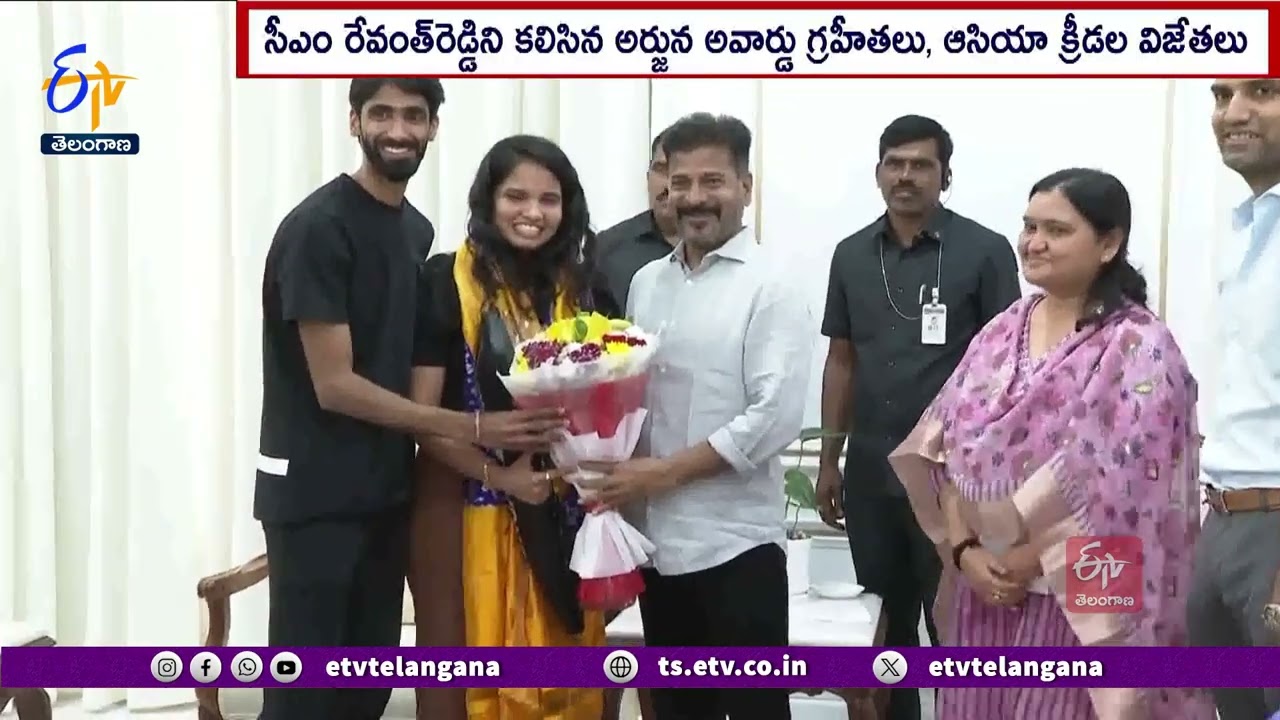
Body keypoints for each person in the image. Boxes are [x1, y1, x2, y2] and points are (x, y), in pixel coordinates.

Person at [254, 79, 566, 720]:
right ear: (354, 122)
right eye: (382, 114)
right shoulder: (319, 228)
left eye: (414, 116)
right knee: (304, 693)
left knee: (365, 689)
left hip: (386, 491)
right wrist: (473, 426)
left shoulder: (414, 230)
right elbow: (335, 385)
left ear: (433, 128)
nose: (398, 130)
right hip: (315, 495)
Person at [889, 168, 1215, 719]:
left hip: (1082, 605)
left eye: (1056, 230)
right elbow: (942, 445)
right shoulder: (1002, 329)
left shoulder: (1140, 347)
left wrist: (1029, 559)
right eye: (1029, 226)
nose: (1034, 242)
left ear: (1108, 244)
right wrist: (966, 552)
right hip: (983, 591)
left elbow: (1137, 494)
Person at [591, 113, 811, 720]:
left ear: (746, 186)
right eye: (680, 181)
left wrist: (661, 475)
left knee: (756, 715)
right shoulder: (645, 283)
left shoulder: (773, 285)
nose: (693, 198)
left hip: (735, 550)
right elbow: (630, 397)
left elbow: (772, 419)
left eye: (712, 181)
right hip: (658, 549)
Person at [814, 114, 1021, 720]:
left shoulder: (984, 251)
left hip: (952, 482)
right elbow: (841, 360)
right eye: (894, 164)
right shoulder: (851, 254)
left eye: (921, 165)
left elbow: (1007, 366)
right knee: (884, 632)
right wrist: (828, 460)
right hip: (871, 474)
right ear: (878, 172)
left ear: (945, 176)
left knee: (958, 632)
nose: (905, 176)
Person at [408, 134, 616, 720]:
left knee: (572, 654)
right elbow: (421, 417)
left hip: (568, 512)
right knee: (465, 665)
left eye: (549, 199)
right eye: (516, 197)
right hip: (466, 507)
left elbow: (613, 402)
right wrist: (501, 476)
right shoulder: (445, 281)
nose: (533, 213)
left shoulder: (587, 288)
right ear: (488, 201)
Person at [1187, 77, 1280, 720]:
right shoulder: (1249, 226)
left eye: (1263, 92)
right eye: (1221, 96)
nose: (1232, 113)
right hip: (1224, 516)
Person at [595, 129, 679, 309]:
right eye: (661, 170)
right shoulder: (606, 248)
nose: (668, 184)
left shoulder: (730, 252)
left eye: (680, 173)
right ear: (648, 177)